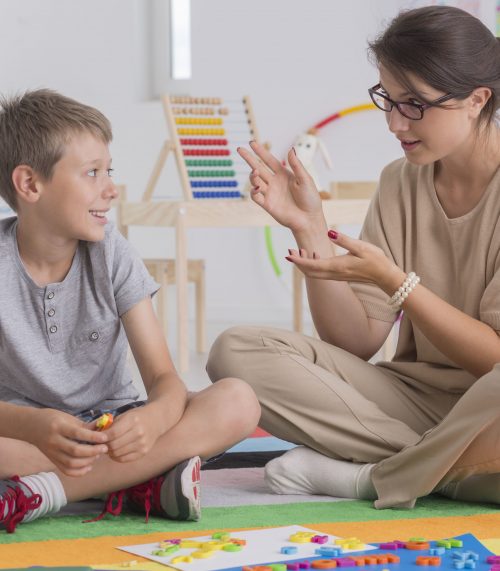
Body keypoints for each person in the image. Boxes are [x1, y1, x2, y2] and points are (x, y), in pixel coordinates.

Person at [207, 5, 500, 509]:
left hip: (490, 407)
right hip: (412, 402)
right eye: (388, 98)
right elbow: (356, 341)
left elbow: (494, 360)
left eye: (414, 105)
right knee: (235, 351)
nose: (393, 122)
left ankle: (369, 478)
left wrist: (399, 283)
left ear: (476, 101)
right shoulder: (399, 182)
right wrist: (310, 227)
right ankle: (445, 470)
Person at [0, 89, 260, 533]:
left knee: (238, 401)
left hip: (114, 426)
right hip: (26, 433)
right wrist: (36, 424)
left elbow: (164, 379)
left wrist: (154, 418)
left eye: (109, 170)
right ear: (29, 184)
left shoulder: (112, 254)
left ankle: (43, 491)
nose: (110, 188)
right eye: (92, 173)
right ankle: (137, 484)